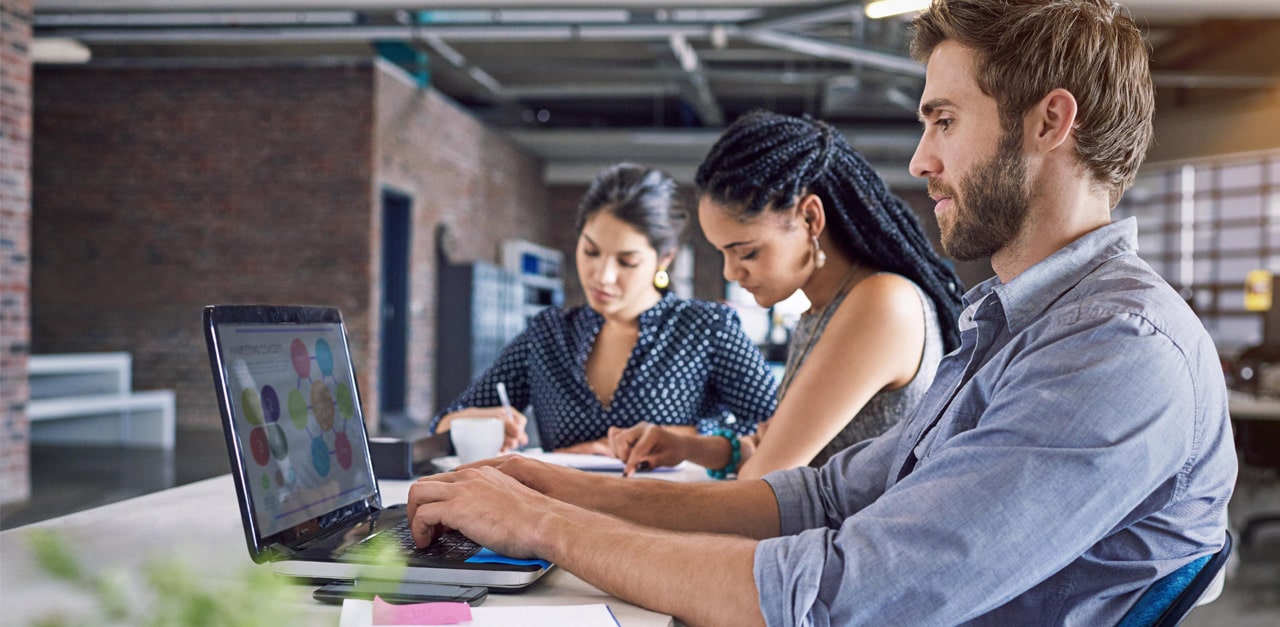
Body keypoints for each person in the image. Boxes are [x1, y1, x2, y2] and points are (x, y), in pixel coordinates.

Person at [407, 1, 1238, 624]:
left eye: (943, 120)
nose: (922, 159)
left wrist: (547, 525)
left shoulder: (1119, 350)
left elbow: (847, 593)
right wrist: (551, 488)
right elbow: (821, 498)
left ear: (1050, 121)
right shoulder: (1012, 328)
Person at [606, 110, 965, 479]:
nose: (731, 272)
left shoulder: (881, 303)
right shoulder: (822, 310)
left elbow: (763, 485)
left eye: (746, 252)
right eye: (723, 253)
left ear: (810, 218)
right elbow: (772, 453)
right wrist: (685, 447)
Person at [429, 163, 779, 454]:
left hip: (668, 524)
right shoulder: (549, 335)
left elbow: (775, 430)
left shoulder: (704, 329)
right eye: (591, 252)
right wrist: (487, 426)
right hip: (560, 522)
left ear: (665, 258)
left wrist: (685, 440)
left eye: (626, 261)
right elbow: (445, 424)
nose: (603, 276)